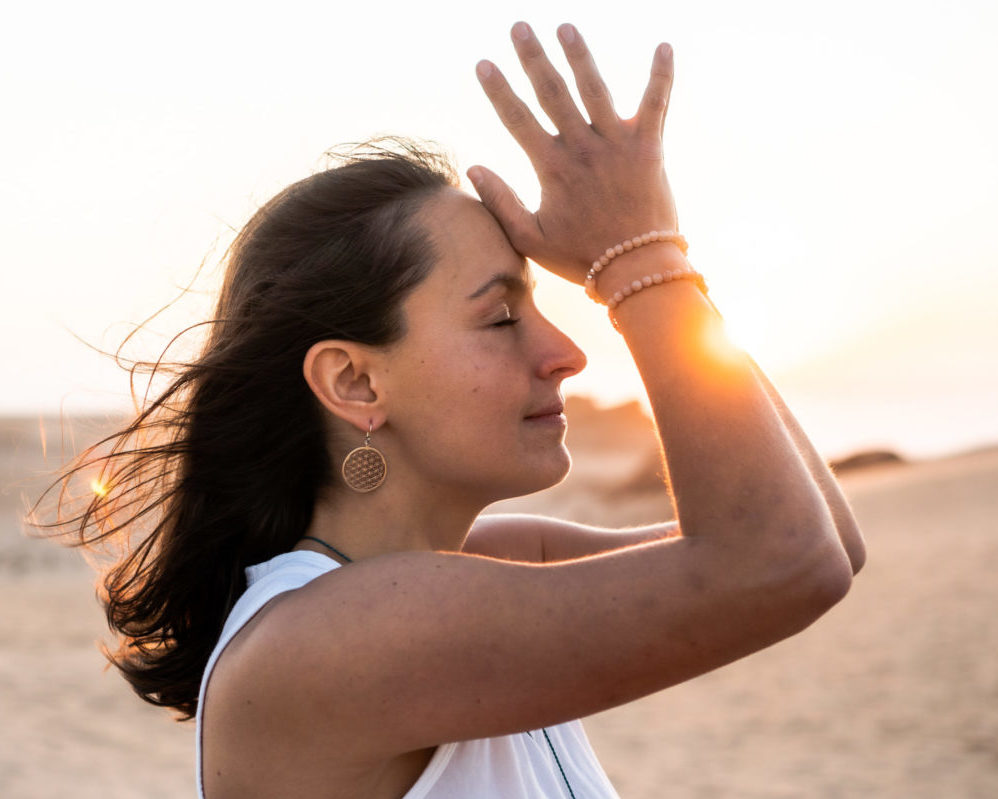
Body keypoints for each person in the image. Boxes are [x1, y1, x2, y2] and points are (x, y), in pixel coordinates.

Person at [41, 21, 865, 799]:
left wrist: (649, 264)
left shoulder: (481, 569)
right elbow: (783, 560)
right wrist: (643, 258)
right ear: (356, 385)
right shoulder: (325, 642)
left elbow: (824, 536)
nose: (565, 351)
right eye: (501, 316)